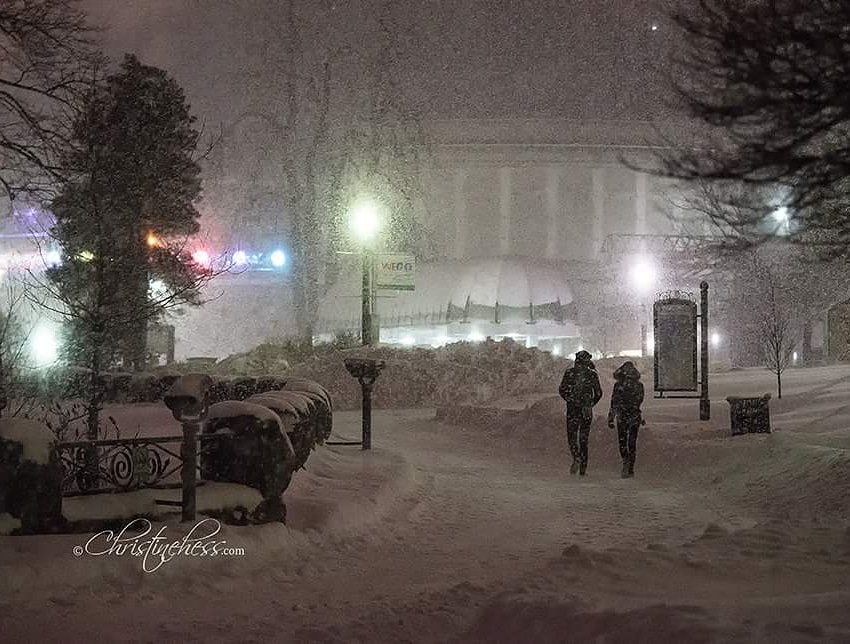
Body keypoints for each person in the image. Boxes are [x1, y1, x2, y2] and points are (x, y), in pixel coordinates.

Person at [558, 350, 603, 476]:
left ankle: (576, 457)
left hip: (572, 409)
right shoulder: (592, 375)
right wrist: (590, 404)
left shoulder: (569, 373)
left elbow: (562, 389)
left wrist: (570, 399)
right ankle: (583, 468)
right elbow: (599, 393)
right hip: (586, 411)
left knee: (572, 437)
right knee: (584, 439)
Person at [607, 361, 645, 478]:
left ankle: (625, 461)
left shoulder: (618, 385)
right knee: (632, 443)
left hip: (622, 416)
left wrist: (611, 417)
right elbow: (639, 401)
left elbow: (614, 402)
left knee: (622, 441)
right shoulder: (639, 385)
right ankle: (630, 468)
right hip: (634, 416)